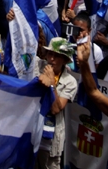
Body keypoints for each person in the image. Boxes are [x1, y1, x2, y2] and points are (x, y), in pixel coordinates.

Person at [37, 38, 78, 169]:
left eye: (57, 56)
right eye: (50, 54)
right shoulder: (37, 67)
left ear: (65, 60)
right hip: (33, 130)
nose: (52, 59)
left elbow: (56, 109)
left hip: (52, 138)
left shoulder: (70, 82)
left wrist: (52, 84)